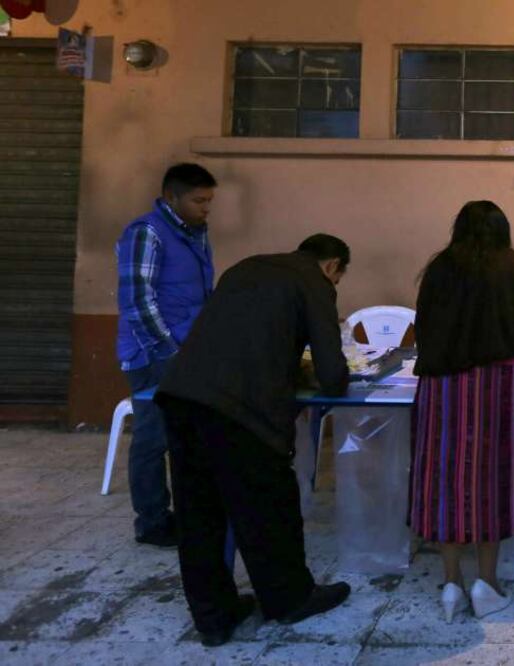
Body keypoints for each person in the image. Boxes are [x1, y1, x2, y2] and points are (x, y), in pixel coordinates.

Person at [155, 234, 354, 646]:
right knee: (268, 506)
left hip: (182, 396)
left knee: (199, 516)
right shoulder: (313, 282)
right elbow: (332, 371)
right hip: (241, 410)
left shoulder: (246, 266)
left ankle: (213, 618)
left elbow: (239, 339)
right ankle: (290, 599)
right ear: (333, 266)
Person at [410, 201, 514, 623]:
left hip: (440, 389)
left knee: (443, 481)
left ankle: (451, 583)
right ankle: (487, 584)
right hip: (495, 389)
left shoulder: (439, 270)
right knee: (489, 480)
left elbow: (422, 330)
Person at [115, 163, 216, 547]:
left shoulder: (194, 234)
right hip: (155, 353)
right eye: (198, 200)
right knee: (152, 438)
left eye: (209, 200)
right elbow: (138, 301)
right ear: (172, 197)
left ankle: (181, 512)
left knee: (185, 436)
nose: (206, 208)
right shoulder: (146, 233)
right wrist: (170, 350)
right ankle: (152, 520)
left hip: (186, 349)